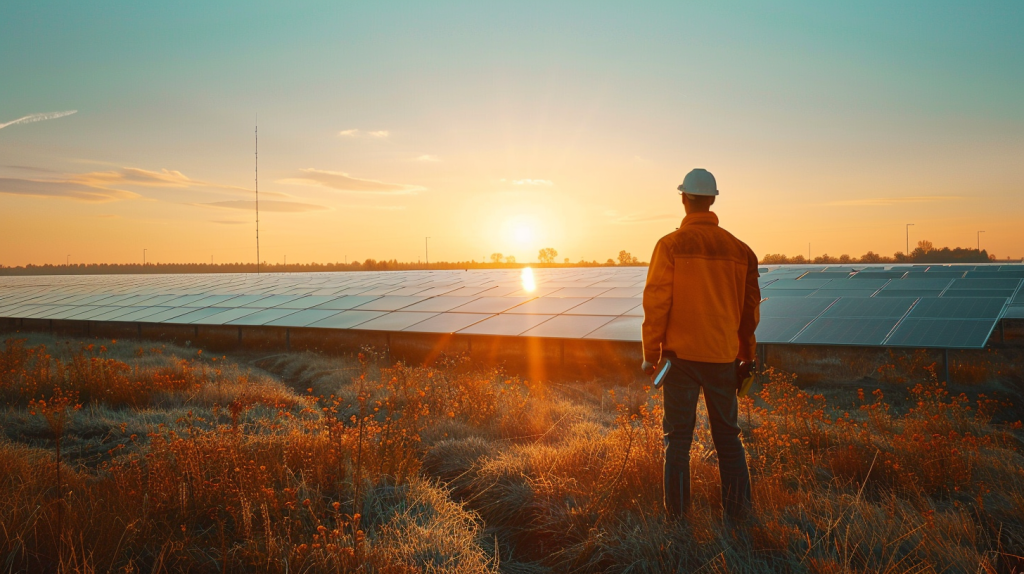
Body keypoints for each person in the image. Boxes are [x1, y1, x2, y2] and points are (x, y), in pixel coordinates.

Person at [640, 168, 760, 523]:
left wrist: (651, 356)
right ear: (712, 200)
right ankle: (738, 519)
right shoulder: (741, 250)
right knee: (729, 441)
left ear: (684, 198)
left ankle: (678, 522)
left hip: (679, 361)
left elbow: (656, 302)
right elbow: (749, 310)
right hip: (723, 359)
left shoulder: (670, 245)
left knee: (677, 443)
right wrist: (746, 356)